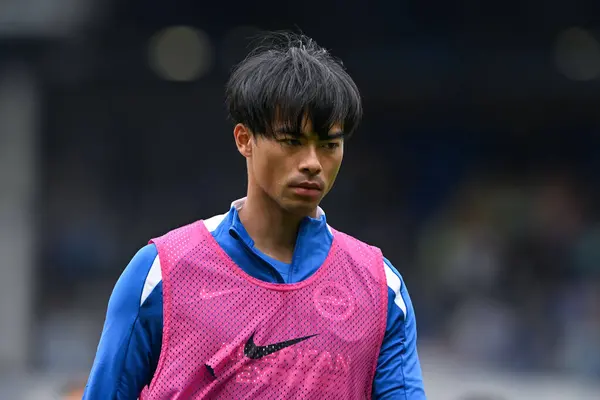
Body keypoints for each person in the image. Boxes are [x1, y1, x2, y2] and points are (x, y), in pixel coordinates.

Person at [83, 31, 426, 399]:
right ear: (245, 139)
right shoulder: (161, 273)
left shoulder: (379, 288)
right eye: (292, 142)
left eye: (329, 144)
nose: (312, 163)